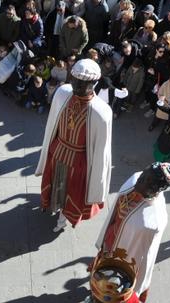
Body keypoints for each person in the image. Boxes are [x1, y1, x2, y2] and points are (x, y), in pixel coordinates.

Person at [36, 58, 112, 233]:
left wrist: (97, 181)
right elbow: (51, 126)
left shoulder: (102, 112)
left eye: (82, 83)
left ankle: (62, 220)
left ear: (94, 83)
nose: (76, 86)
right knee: (54, 185)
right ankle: (49, 205)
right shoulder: (62, 93)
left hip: (78, 165)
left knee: (70, 194)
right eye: (75, 80)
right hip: (56, 153)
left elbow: (102, 151)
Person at [96, 162, 170, 303]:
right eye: (144, 175)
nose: (140, 181)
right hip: (110, 239)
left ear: (157, 190)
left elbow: (145, 255)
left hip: (124, 259)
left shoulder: (154, 221)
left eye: (148, 182)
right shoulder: (134, 179)